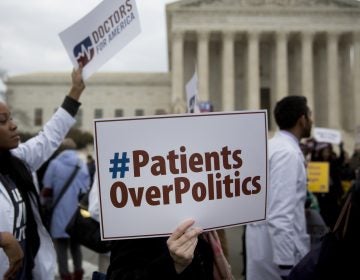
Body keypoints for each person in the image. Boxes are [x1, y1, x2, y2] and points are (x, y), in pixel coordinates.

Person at [0, 65, 86, 279]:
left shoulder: (18, 160)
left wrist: (75, 91)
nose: (13, 125)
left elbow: (50, 135)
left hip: (27, 270)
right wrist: (2, 239)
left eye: (10, 118)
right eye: (3, 121)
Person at [245, 95, 313, 280]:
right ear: (302, 119)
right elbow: (280, 214)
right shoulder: (286, 154)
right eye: (310, 115)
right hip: (278, 257)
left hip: (263, 246)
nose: (312, 120)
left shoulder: (271, 146)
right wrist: (286, 267)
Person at [41, 138, 90, 280]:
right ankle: (79, 272)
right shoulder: (82, 164)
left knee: (61, 246)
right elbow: (87, 187)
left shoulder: (54, 164)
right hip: (77, 213)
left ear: (61, 150)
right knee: (76, 244)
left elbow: (47, 190)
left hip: (59, 211)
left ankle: (64, 274)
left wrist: (44, 204)